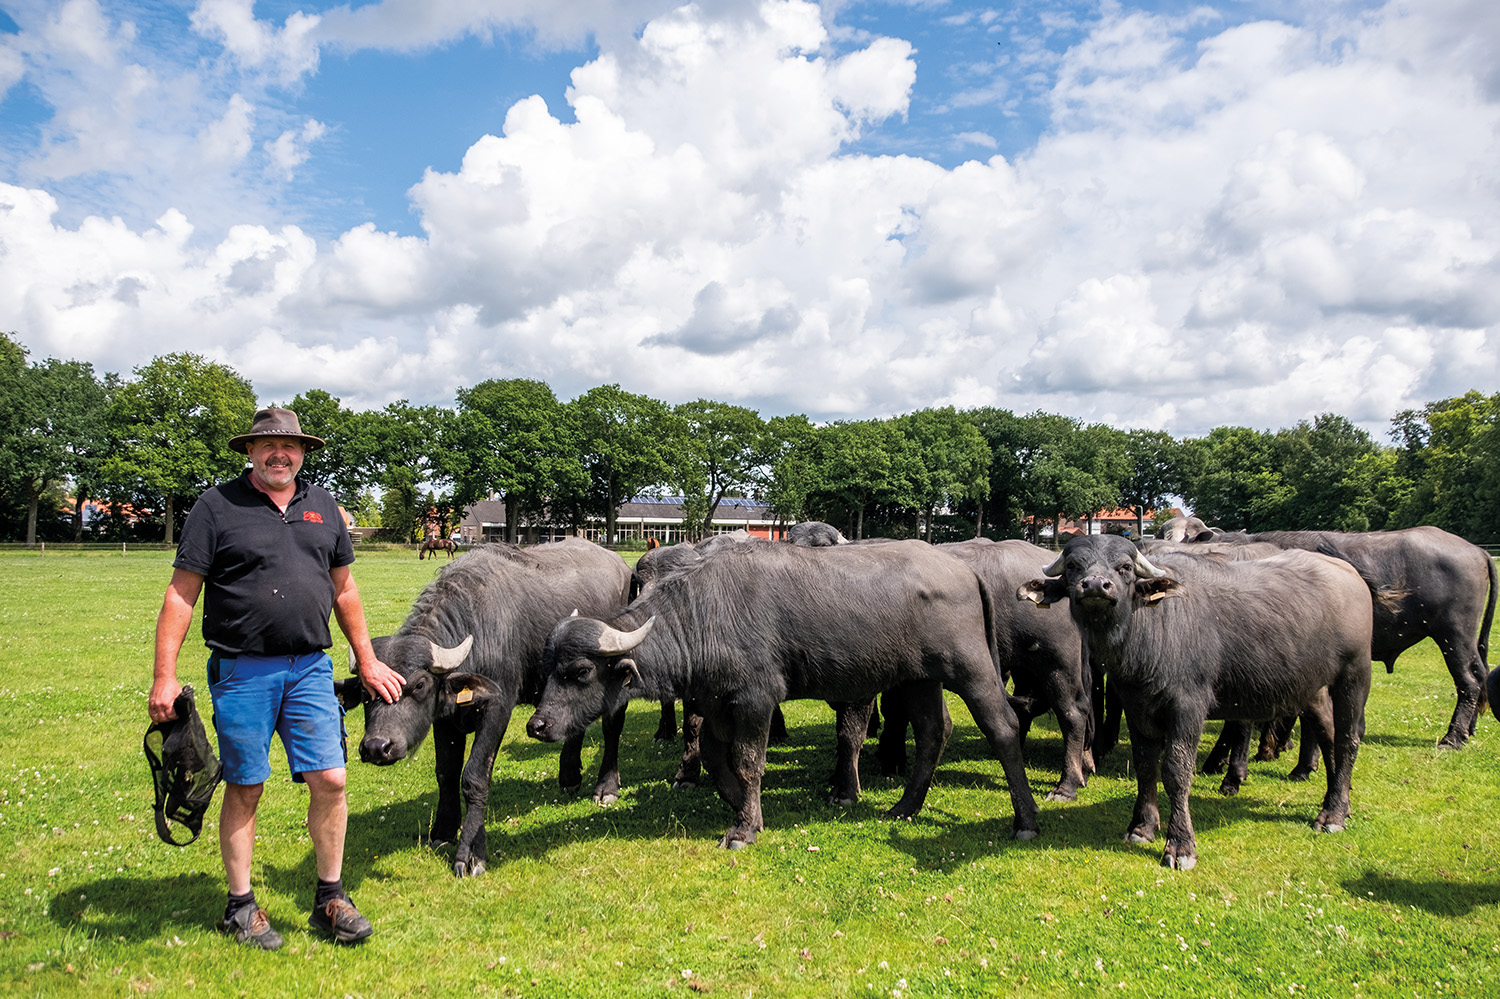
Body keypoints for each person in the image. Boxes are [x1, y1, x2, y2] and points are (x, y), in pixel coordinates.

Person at [147, 407, 405, 950]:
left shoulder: (323, 507)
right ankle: (240, 907)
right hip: (243, 671)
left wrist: (368, 659)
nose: (278, 454)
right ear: (250, 451)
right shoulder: (216, 507)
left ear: (303, 451)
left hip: (311, 668)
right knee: (246, 785)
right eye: (267, 445)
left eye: (288, 445)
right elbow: (181, 594)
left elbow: (344, 589)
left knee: (331, 781)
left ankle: (330, 897)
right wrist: (164, 677)